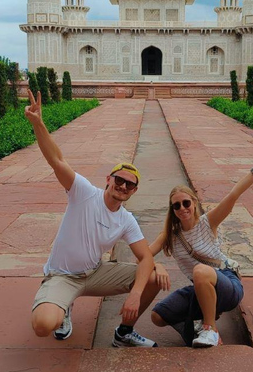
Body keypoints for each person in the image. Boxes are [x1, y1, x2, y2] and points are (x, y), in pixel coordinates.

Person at [25, 89, 161, 347]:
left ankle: (124, 333)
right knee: (43, 325)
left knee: (152, 276)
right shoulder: (84, 193)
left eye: (129, 185)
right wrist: (38, 123)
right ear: (108, 180)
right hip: (63, 275)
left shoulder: (126, 220)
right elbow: (57, 160)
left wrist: (136, 293)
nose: (123, 186)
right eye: (119, 180)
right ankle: (62, 306)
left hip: (95, 273)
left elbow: (145, 257)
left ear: (134, 191)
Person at [148, 153, 253, 347]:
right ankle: (200, 320)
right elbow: (144, 255)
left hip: (227, 284)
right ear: (172, 210)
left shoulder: (207, 222)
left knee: (200, 270)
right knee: (158, 315)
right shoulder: (170, 235)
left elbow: (233, 195)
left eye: (186, 202)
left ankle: (210, 329)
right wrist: (157, 266)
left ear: (194, 202)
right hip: (201, 286)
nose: (182, 208)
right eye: (176, 205)